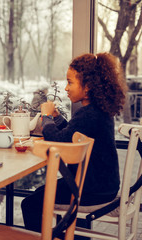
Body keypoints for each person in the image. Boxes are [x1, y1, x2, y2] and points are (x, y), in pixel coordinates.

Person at [21, 52, 127, 235]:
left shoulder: (89, 114)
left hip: (92, 191)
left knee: (30, 203)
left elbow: (58, 142)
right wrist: (57, 118)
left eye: (70, 82)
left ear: (88, 87)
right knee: (40, 192)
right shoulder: (97, 111)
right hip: (103, 186)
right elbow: (71, 135)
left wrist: (46, 116)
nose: (66, 89)